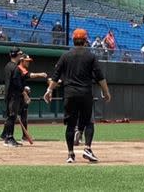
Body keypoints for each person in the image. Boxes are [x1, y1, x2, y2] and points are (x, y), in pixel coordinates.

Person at [44, 28, 112, 164]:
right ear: (86, 40)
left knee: (70, 125)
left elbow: (56, 76)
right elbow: (100, 77)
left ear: (73, 40)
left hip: (70, 93)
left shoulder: (65, 56)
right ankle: (87, 148)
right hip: (85, 93)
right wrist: (106, 91)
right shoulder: (91, 56)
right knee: (89, 123)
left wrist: (49, 90)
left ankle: (70, 154)